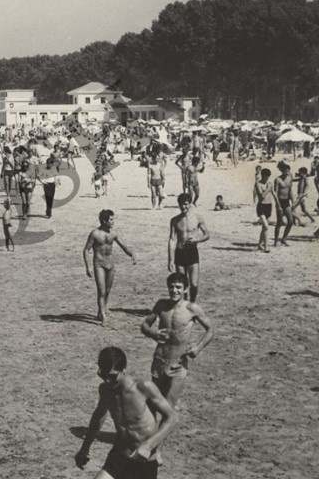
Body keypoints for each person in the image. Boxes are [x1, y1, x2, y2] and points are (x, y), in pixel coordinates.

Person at [74, 346, 179, 479]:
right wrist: (85, 448)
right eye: (103, 375)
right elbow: (98, 417)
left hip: (144, 460)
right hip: (119, 456)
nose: (107, 380)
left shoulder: (143, 387)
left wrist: (148, 446)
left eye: (112, 376)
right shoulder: (105, 389)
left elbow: (172, 418)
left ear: (124, 369)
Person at [140, 272, 214, 407]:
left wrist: (198, 347)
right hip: (159, 360)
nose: (174, 290)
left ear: (185, 289)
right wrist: (153, 334)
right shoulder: (161, 305)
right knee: (153, 404)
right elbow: (145, 325)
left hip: (178, 363)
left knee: (168, 406)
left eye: (178, 287)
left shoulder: (192, 308)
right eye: (171, 287)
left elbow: (210, 330)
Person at [83, 209, 137, 326]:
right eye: (111, 219)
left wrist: (132, 254)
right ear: (104, 221)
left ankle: (100, 311)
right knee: (101, 291)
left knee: (107, 291)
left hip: (111, 264)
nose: (113, 222)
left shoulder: (114, 233)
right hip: (99, 264)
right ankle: (103, 316)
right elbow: (86, 249)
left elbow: (124, 246)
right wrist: (88, 267)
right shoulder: (95, 234)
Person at [167, 193, 209, 302]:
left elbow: (207, 235)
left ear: (190, 204)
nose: (183, 207)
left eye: (185, 204)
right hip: (180, 253)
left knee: (194, 284)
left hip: (192, 252)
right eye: (181, 204)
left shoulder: (198, 218)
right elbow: (172, 240)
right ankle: (183, 305)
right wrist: (170, 260)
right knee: (182, 284)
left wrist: (197, 240)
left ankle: (192, 303)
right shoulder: (175, 220)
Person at [255, 168, 278, 253]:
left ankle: (259, 244)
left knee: (264, 228)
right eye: (265, 177)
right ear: (262, 176)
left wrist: (278, 205)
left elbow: (274, 194)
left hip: (269, 206)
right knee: (266, 226)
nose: (267, 178)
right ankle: (266, 247)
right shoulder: (258, 184)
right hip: (261, 206)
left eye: (268, 177)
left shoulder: (270, 183)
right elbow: (261, 197)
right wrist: (268, 189)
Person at [273, 162, 295, 246]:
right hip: (280, 201)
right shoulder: (278, 179)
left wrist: (293, 201)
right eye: (285, 171)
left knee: (291, 221)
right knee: (279, 223)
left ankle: (284, 238)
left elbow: (290, 190)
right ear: (282, 171)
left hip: (287, 201)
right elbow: (276, 193)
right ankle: (276, 240)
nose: (286, 172)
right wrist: (278, 205)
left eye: (288, 171)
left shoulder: (289, 178)